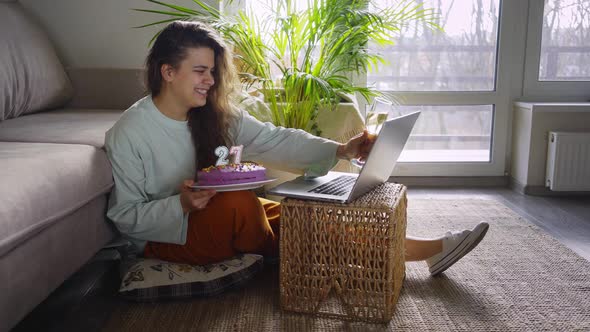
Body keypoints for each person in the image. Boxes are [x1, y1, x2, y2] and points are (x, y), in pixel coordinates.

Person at [105, 20, 488, 277]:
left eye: (212, 71)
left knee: (301, 213)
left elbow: (277, 139)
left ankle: (424, 251)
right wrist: (182, 205)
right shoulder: (129, 132)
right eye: (200, 71)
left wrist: (341, 149)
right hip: (168, 238)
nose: (210, 81)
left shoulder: (215, 115)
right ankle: (304, 257)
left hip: (226, 220)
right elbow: (124, 218)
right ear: (167, 72)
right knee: (241, 204)